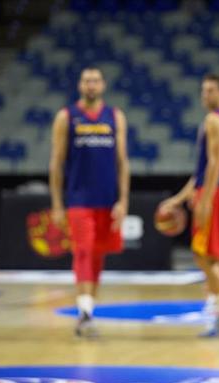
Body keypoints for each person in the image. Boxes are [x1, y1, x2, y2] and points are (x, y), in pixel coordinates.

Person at [160, 74, 219, 336]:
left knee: (204, 256)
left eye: (210, 90)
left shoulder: (214, 119)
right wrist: (179, 198)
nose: (204, 95)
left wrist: (205, 199)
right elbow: (203, 170)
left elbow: (214, 163)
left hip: (217, 193)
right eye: (203, 90)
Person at [49, 67, 130, 338]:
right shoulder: (66, 116)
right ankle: (84, 313)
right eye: (86, 80)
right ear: (80, 85)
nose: (91, 85)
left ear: (103, 85)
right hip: (78, 197)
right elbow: (57, 163)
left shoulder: (115, 116)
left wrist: (124, 200)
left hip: (107, 198)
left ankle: (89, 309)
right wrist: (58, 203)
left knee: (97, 255)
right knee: (82, 251)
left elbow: (122, 161)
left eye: (95, 80)